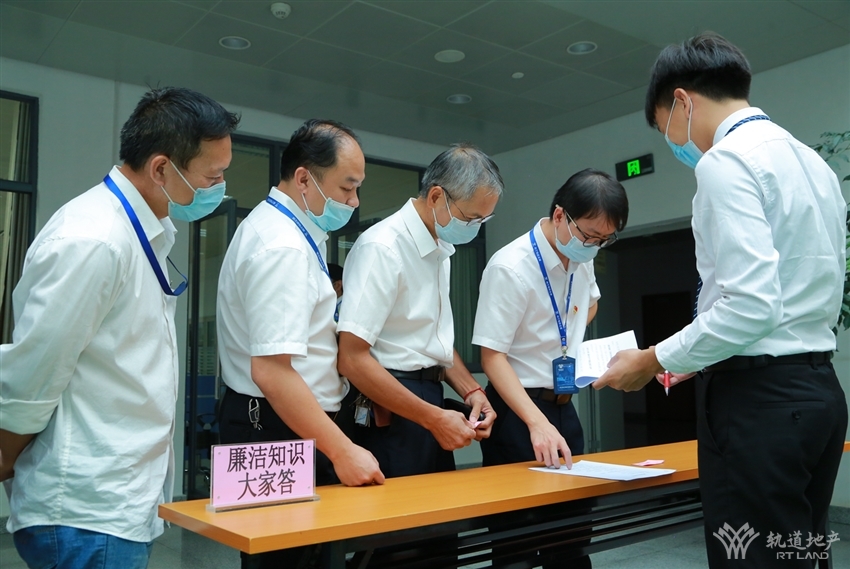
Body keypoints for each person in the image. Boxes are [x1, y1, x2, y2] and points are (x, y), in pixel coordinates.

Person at [594, 33, 847, 568]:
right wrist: (700, 355)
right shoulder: (813, 164)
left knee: (750, 558)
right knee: (799, 553)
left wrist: (653, 359)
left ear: (682, 102)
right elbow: (796, 293)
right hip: (819, 393)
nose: (674, 142)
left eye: (663, 125)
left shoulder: (726, 161)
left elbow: (752, 305)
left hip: (759, 406)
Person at [0, 87, 238, 569]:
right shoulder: (95, 239)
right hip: (86, 512)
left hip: (116, 504)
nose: (219, 188)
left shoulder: (139, 231)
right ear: (161, 169)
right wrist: (6, 457)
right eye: (212, 177)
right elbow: (33, 376)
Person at [216, 119, 384, 568]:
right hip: (275, 425)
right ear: (305, 178)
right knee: (288, 559)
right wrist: (342, 450)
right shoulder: (282, 245)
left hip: (277, 420)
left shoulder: (284, 230)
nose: (354, 202)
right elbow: (271, 371)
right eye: (347, 188)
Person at [472, 168, 627, 569]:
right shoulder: (510, 266)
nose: (594, 246)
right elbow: (492, 357)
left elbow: (590, 302)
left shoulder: (581, 257)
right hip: (517, 413)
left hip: (562, 408)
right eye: (589, 236)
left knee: (572, 539)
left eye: (604, 240)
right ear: (560, 215)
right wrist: (536, 423)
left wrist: (571, 344)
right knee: (517, 546)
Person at [337, 143, 500, 478]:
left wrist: (472, 391)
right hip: (390, 403)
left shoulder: (440, 246)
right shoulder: (383, 248)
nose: (475, 227)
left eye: (484, 219)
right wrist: (433, 418)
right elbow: (351, 358)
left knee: (441, 510)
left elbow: (431, 341)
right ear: (437, 196)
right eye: (471, 218)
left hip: (430, 397)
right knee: (403, 511)